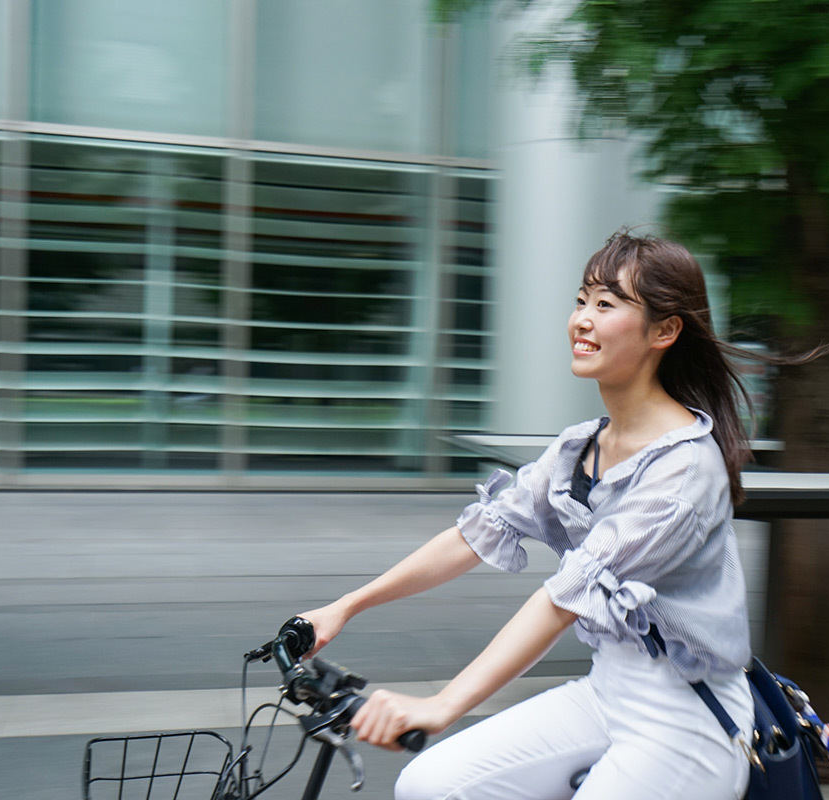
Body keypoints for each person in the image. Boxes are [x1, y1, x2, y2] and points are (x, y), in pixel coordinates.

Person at [301, 231, 768, 799]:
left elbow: (563, 599)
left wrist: (442, 705)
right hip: (607, 693)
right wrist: (345, 607)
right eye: (581, 300)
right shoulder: (579, 448)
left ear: (665, 331)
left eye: (607, 304)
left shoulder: (685, 471)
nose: (582, 320)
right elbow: (472, 537)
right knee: (430, 784)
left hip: (688, 723)